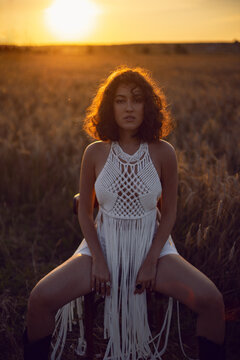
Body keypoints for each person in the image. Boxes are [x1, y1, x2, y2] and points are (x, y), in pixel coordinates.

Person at [23, 66, 225, 360]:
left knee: (212, 300)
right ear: (109, 107)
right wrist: (99, 261)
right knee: (39, 298)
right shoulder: (94, 153)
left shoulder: (163, 152)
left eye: (137, 99)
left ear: (148, 106)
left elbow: (168, 214)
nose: (129, 107)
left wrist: (151, 261)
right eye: (120, 100)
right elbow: (84, 211)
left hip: (153, 246)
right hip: (102, 243)